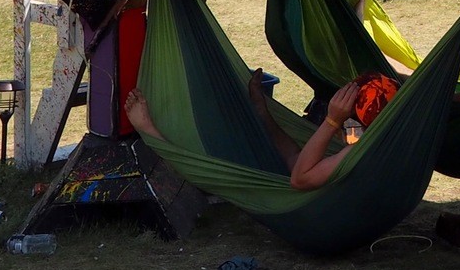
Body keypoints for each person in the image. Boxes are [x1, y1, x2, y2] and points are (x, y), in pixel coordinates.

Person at [124, 68, 398, 191]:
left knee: (220, 175)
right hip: (322, 190)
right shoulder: (377, 135)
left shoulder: (359, 151)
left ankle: (150, 133)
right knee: (295, 156)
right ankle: (261, 114)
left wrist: (332, 121)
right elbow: (296, 162)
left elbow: (299, 179)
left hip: (314, 217)